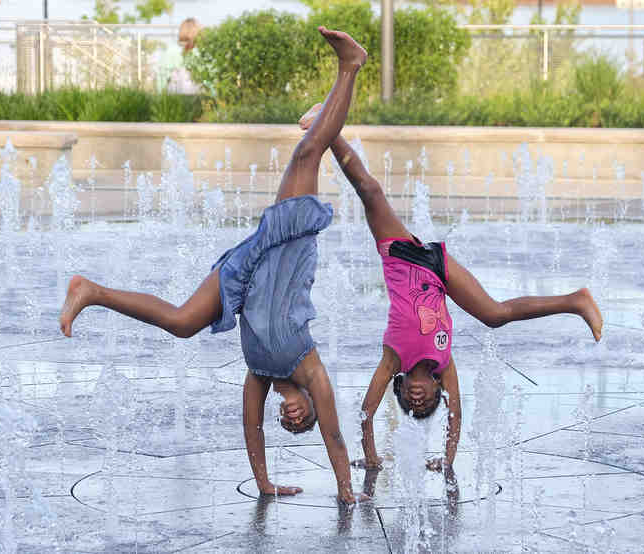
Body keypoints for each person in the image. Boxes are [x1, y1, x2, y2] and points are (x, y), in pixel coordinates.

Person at [59, 27, 369, 505]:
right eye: (303, 418)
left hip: (243, 273)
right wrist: (347, 490)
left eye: (290, 424)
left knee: (183, 322)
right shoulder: (312, 372)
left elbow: (250, 427)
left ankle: (92, 291)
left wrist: (264, 483)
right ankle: (350, 66)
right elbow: (335, 438)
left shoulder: (260, 376)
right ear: (310, 406)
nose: (294, 419)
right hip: (285, 249)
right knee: (308, 153)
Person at [299, 103, 603, 476]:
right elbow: (457, 415)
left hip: (402, 256)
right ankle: (575, 300)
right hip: (439, 270)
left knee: (370, 192)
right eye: (424, 406)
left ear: (404, 389)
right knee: (495, 315)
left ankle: (326, 125)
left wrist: (373, 456)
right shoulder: (445, 365)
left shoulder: (393, 359)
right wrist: (448, 458)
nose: (416, 401)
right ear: (434, 394)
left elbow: (366, 413)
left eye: (411, 404)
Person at [166, 17, 202, 95]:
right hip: (196, 94)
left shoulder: (170, 50)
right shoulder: (201, 52)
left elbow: (163, 75)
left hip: (173, 95)